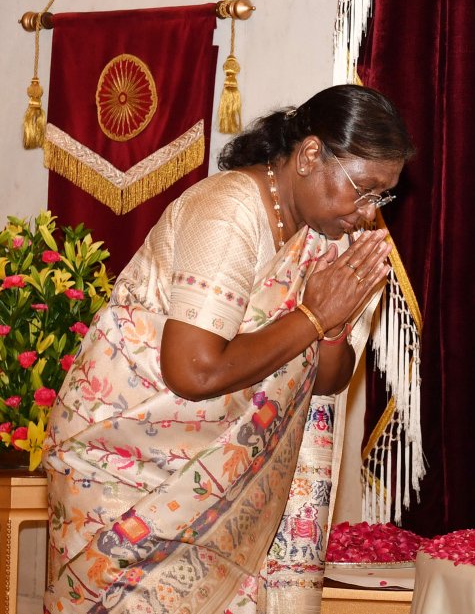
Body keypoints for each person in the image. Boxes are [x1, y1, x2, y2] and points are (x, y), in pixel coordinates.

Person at [42, 84, 414, 614]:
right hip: (120, 466)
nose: (368, 213)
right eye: (363, 189)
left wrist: (330, 323)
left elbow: (328, 381)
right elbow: (192, 371)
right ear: (311, 155)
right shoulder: (228, 211)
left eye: (383, 197)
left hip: (224, 487)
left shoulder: (331, 240)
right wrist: (311, 316)